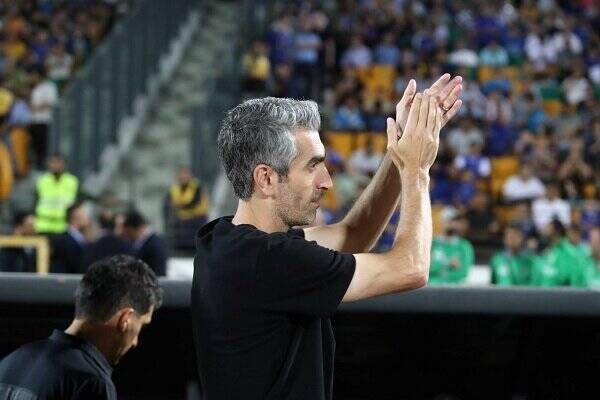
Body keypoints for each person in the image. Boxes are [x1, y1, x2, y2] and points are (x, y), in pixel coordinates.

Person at [192, 73, 463, 399]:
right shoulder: (270, 261)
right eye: (312, 166)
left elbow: (353, 234)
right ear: (266, 178)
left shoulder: (224, 241)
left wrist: (401, 148)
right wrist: (417, 170)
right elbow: (411, 267)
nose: (327, 181)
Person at [0, 255, 162, 400]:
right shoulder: (90, 381)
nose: (135, 342)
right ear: (125, 319)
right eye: (142, 325)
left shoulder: (13, 360)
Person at [34, 154, 79, 234]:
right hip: (43, 225)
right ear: (49, 164)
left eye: (59, 162)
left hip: (64, 226)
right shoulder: (42, 181)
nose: (56, 165)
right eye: (53, 162)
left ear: (64, 164)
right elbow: (34, 202)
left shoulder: (72, 181)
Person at [167, 166, 208, 251]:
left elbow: (195, 202)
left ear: (190, 175)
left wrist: (179, 205)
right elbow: (170, 202)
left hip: (197, 218)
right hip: (181, 219)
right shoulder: (175, 188)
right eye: (181, 174)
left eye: (185, 174)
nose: (183, 176)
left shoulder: (196, 186)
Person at [123, 210, 168, 276]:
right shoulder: (146, 242)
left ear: (133, 229)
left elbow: (158, 272)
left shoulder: (154, 244)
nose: (128, 235)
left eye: (128, 232)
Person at [50, 202, 90, 274]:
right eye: (85, 215)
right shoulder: (62, 241)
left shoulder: (82, 239)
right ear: (75, 218)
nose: (88, 219)